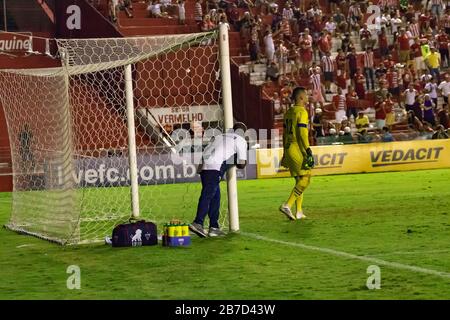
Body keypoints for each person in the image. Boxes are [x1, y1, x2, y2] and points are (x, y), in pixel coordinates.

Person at [189, 123, 248, 237]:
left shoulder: (220, 136)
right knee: (208, 195)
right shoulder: (240, 140)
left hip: (203, 167)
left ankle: (214, 227)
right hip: (215, 167)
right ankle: (198, 222)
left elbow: (207, 149)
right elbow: (241, 163)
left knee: (215, 197)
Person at [279, 87, 314, 221]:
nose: (307, 97)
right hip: (297, 148)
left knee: (299, 180)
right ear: (300, 98)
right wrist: (308, 150)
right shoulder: (302, 112)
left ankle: (299, 211)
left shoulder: (288, 112)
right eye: (306, 95)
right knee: (306, 178)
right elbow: (302, 134)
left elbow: (283, 135)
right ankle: (287, 205)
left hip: (288, 148)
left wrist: (284, 153)